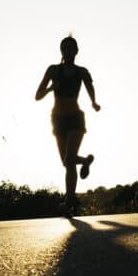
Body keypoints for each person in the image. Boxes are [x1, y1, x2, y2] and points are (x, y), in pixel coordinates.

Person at [35, 35, 101, 215]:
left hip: (75, 118)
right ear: (61, 50)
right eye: (66, 47)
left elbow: (89, 87)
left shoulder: (82, 71)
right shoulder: (53, 70)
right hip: (57, 119)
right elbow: (37, 95)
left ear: (77, 51)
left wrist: (94, 102)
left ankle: (68, 200)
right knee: (67, 162)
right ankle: (85, 162)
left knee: (69, 157)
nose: (69, 51)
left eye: (72, 47)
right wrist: (50, 88)